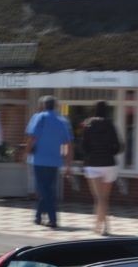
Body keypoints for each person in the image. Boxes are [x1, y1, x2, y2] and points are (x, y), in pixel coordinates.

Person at [21, 95, 73, 228]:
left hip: (39, 159)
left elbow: (32, 138)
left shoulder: (39, 117)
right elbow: (68, 143)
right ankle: (38, 216)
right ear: (55, 106)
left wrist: (25, 154)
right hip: (55, 161)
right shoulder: (62, 120)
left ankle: (53, 218)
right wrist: (68, 164)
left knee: (45, 190)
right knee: (47, 189)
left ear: (44, 106)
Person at [80, 101, 124, 236]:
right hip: (109, 164)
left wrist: (89, 154)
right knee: (104, 197)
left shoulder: (88, 126)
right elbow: (118, 145)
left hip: (93, 164)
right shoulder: (111, 126)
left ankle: (103, 226)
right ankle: (100, 226)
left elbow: (83, 146)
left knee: (99, 198)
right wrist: (110, 153)